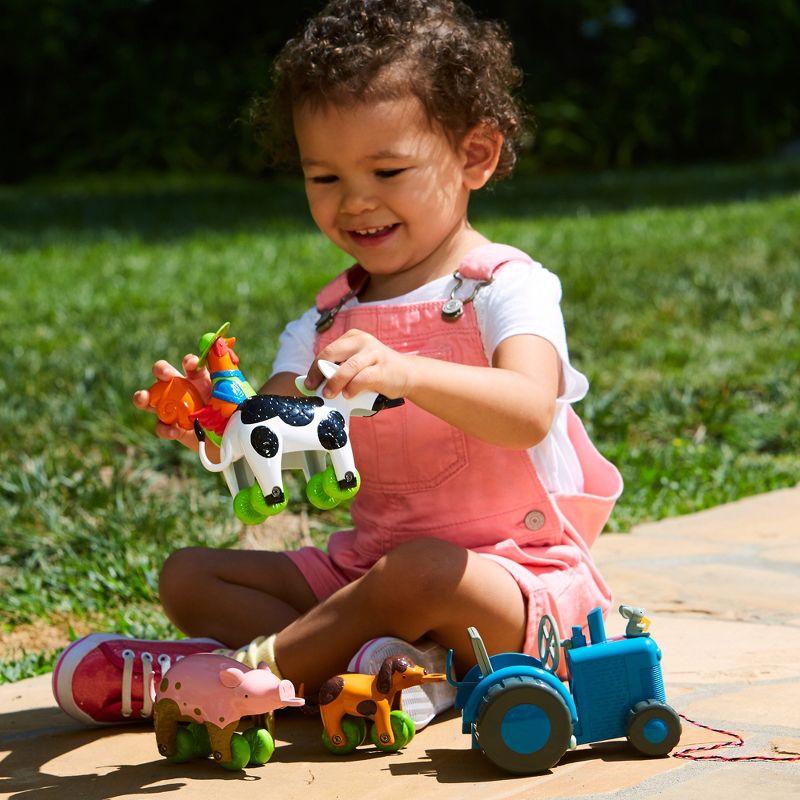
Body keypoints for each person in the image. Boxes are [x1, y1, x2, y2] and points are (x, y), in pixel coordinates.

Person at [53, 0, 622, 730]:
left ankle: (228, 682)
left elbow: (528, 411)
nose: (355, 201)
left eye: (387, 169)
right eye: (323, 177)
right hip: (367, 574)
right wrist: (215, 418)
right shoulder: (326, 321)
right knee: (189, 576)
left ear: (475, 155)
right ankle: (390, 669)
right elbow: (273, 424)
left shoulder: (507, 288)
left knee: (419, 570)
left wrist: (407, 372)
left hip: (503, 583)